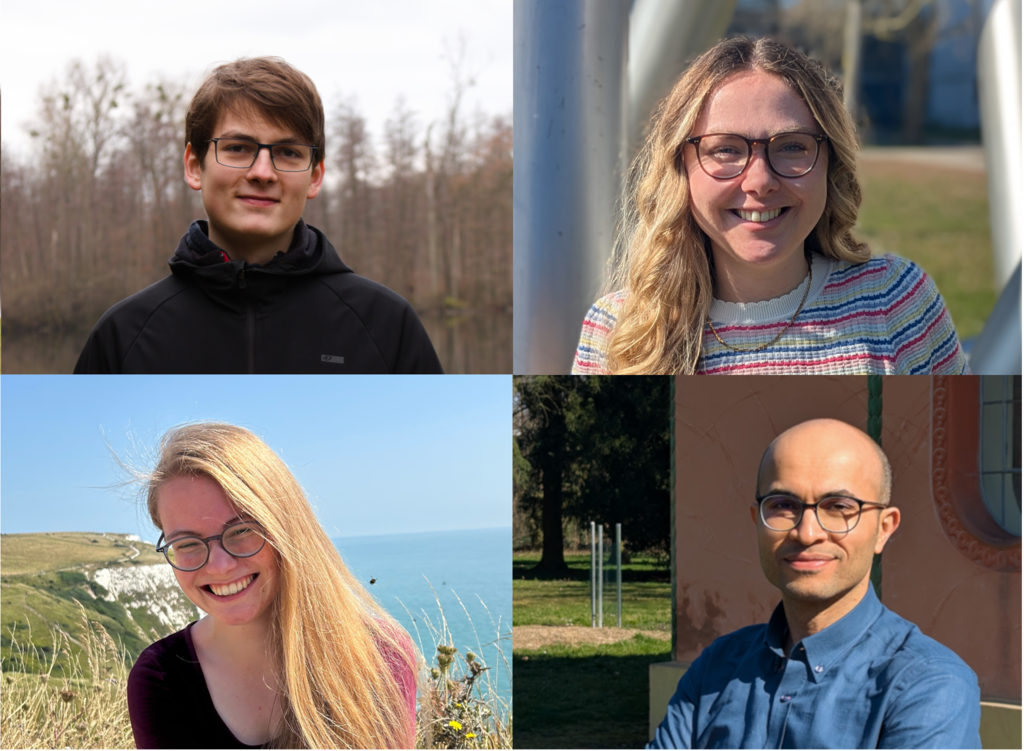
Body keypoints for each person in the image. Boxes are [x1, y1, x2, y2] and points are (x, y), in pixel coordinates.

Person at [572, 37, 967, 375]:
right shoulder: (615, 331)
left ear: (832, 164)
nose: (760, 181)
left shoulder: (897, 300)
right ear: (680, 167)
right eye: (725, 148)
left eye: (792, 146)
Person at [74, 57, 442, 374]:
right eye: (237, 148)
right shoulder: (123, 335)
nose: (262, 172)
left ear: (315, 176)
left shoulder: (387, 325)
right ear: (194, 166)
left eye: (288, 152)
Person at [648, 418, 981, 749]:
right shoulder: (718, 667)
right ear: (757, 522)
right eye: (783, 505)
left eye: (838, 507)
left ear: (884, 528)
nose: (807, 533)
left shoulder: (927, 684)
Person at [127, 423, 417, 750]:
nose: (220, 566)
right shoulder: (161, 679)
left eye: (241, 530)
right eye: (187, 543)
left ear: (287, 528)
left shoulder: (381, 654)